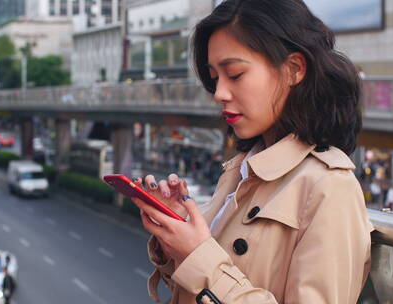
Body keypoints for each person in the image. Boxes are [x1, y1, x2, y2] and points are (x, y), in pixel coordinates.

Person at [130, 1, 373, 303]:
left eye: (234, 74)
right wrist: (177, 237)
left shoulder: (329, 187)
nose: (219, 93)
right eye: (215, 77)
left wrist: (198, 255)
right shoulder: (240, 171)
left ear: (294, 69)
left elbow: (213, 275)